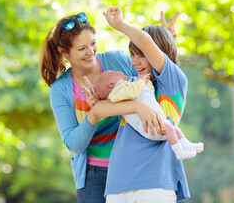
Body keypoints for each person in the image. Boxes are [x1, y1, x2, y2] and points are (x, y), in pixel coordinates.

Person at [39, 11, 167, 203]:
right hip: (95, 176)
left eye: (92, 43)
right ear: (64, 52)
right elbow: (74, 144)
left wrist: (166, 46)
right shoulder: (61, 89)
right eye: (82, 48)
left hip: (133, 164)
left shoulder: (116, 61)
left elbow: (154, 79)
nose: (90, 51)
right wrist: (96, 113)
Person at [83, 7, 192, 202]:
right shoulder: (134, 84)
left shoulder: (174, 81)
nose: (135, 61)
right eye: (132, 55)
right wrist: (135, 107)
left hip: (155, 182)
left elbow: (145, 42)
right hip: (118, 183)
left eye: (142, 55)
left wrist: (120, 25)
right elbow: (98, 109)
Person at [93, 70, 204, 160]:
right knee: (170, 128)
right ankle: (179, 152)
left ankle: (187, 144)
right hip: (150, 126)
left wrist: (146, 83)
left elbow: (146, 93)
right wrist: (140, 81)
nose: (119, 71)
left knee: (175, 129)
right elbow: (133, 92)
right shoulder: (117, 92)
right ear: (112, 84)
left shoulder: (128, 86)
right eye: (114, 72)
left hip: (155, 120)